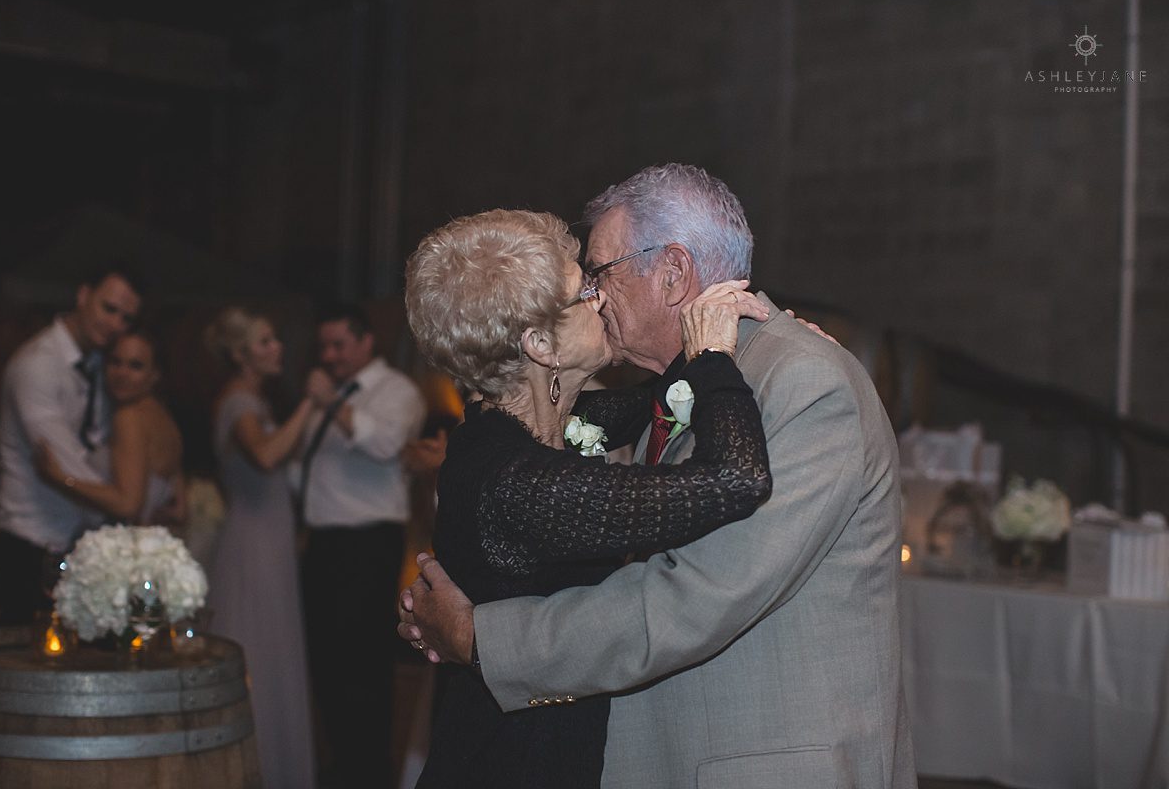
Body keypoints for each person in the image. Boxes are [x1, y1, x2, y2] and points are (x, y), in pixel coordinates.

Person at [401, 164, 917, 788]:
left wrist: (481, 636)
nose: (596, 294)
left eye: (601, 273)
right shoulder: (677, 385)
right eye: (583, 284)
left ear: (671, 273)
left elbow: (692, 597)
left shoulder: (799, 382)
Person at [402, 208, 772, 788]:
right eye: (583, 293)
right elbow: (737, 477)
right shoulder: (520, 480)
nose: (600, 299)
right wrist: (715, 359)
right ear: (541, 343)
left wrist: (762, 343)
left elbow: (660, 398)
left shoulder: (522, 427)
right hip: (515, 768)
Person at [295, 303, 425, 789]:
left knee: (364, 667)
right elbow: (306, 468)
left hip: (367, 546)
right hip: (324, 543)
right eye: (323, 346)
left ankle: (369, 774)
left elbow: (385, 443)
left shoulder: (396, 390)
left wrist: (331, 404)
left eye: (338, 345)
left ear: (366, 342)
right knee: (326, 664)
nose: (329, 355)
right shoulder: (331, 394)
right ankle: (342, 766)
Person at [203, 307, 320, 789]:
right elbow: (268, 456)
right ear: (240, 355)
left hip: (269, 541)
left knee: (274, 657)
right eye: (266, 341)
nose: (278, 349)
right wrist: (311, 403)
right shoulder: (239, 404)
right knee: (259, 654)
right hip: (251, 547)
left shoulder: (254, 400)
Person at [0, 264, 142, 625]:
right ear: (83, 295)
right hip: (31, 541)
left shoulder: (98, 365)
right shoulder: (37, 365)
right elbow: (63, 462)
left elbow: (101, 449)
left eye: (126, 318)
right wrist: (125, 506)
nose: (115, 324)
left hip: (79, 543)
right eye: (109, 308)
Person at [34, 329, 185, 528]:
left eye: (135, 366)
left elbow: (128, 505)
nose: (122, 373)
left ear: (154, 375)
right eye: (115, 362)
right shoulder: (161, 416)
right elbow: (180, 509)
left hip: (121, 544)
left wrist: (61, 479)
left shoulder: (129, 417)